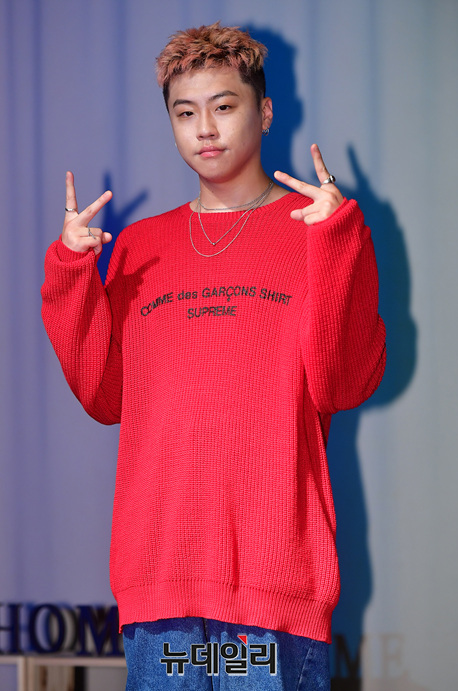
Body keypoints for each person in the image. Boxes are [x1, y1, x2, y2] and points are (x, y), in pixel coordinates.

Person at [41, 22, 386, 690]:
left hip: (273, 592)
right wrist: (72, 274)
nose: (205, 129)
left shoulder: (316, 231)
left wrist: (336, 245)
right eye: (185, 112)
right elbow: (105, 397)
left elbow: (342, 383)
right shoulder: (140, 245)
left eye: (224, 106)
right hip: (161, 588)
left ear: (265, 111)